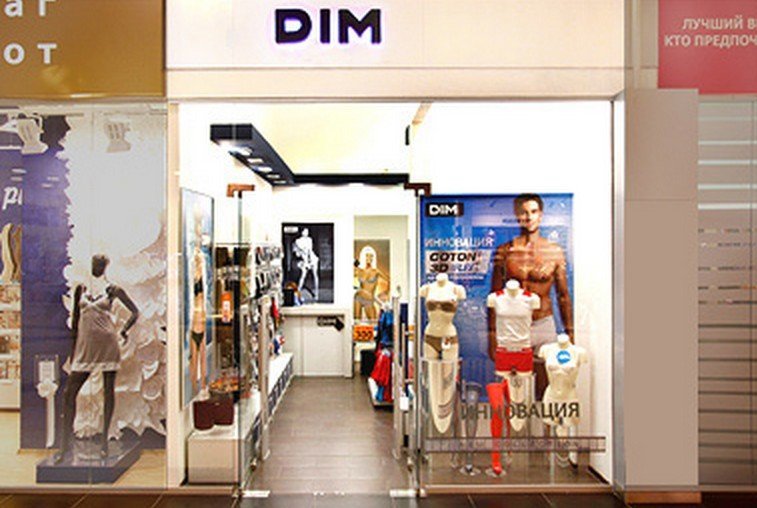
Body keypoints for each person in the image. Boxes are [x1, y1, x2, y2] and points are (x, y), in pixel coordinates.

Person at [55, 254, 139, 462]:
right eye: (95, 263)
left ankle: (104, 443)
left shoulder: (113, 290)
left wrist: (124, 330)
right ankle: (64, 445)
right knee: (69, 394)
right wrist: (73, 352)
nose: (97, 267)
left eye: (101, 264)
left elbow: (135, 312)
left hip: (107, 346)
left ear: (106, 266)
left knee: (108, 393)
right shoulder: (81, 289)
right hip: (85, 349)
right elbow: (75, 323)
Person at [489, 193, 573, 394]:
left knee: (546, 386)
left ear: (540, 215)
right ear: (517, 216)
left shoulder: (554, 251)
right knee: (514, 389)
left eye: (533, 212)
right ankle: (517, 416)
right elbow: (494, 296)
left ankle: (543, 416)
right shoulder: (505, 251)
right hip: (512, 326)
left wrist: (570, 332)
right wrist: (491, 335)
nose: (528, 217)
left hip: (543, 323)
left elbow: (563, 296)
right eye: (523, 212)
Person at [190, 213, 208, 397]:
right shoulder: (193, 261)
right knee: (195, 361)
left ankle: (201, 392)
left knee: (201, 361)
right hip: (195, 319)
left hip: (200, 317)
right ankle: (195, 396)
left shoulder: (200, 259)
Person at [353, 246, 389, 320]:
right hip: (358, 297)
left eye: (371, 256)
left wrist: (385, 293)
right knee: (356, 322)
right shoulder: (359, 271)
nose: (369, 258)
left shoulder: (376, 271)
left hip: (369, 300)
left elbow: (388, 280)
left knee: (373, 322)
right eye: (367, 256)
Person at [293, 228, 319, 300]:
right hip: (304, 260)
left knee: (315, 275)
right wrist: (305, 261)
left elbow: (310, 251)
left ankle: (316, 293)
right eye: (305, 231)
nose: (306, 233)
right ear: (302, 232)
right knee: (303, 276)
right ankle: (297, 293)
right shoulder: (298, 241)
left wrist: (310, 261)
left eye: (307, 231)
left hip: (312, 259)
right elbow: (297, 253)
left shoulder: (309, 240)